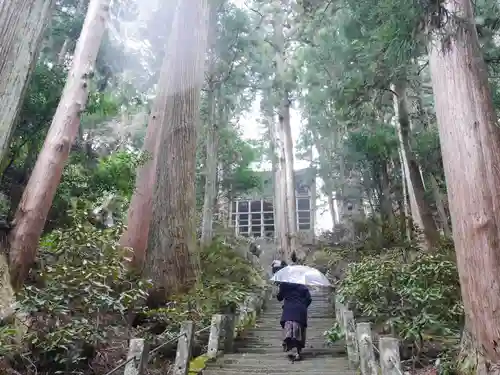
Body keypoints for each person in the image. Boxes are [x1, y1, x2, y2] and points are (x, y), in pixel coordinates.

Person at [277, 281, 312, 361]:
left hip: (288, 311)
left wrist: (279, 289)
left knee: (289, 329)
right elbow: (309, 299)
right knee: (298, 330)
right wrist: (303, 305)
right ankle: (297, 351)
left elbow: (279, 298)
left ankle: (290, 348)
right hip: (300, 311)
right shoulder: (303, 287)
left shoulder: (284, 285)